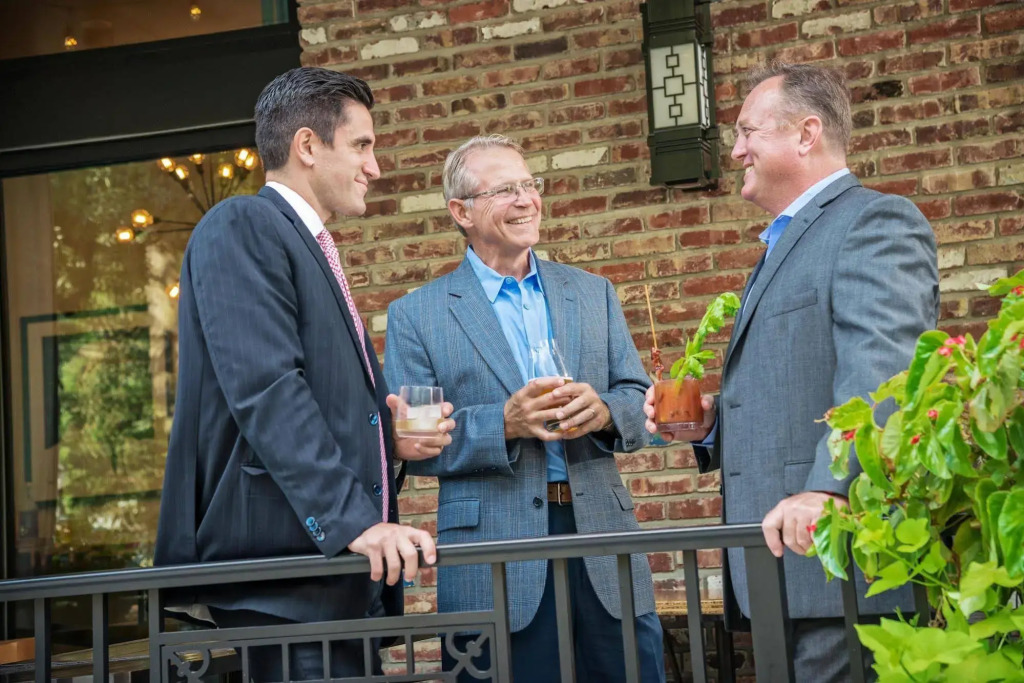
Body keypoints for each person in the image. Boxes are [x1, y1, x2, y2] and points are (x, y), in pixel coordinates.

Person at [154, 66, 453, 680]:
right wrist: (357, 524)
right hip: (285, 582)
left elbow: (309, 397)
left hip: (330, 581)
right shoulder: (241, 224)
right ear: (308, 146)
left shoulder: (306, 243)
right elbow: (267, 390)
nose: (375, 167)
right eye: (362, 145)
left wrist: (386, 439)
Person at [644, 61, 939, 681]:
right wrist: (711, 425)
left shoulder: (874, 222)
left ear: (806, 134)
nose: (736, 150)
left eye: (748, 131)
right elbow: (794, 387)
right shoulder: (787, 240)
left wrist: (830, 488)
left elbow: (884, 371)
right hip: (782, 576)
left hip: (841, 570)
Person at [384, 134, 666, 683]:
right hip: (493, 554)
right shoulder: (416, 315)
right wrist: (504, 424)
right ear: (461, 212)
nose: (526, 200)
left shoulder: (593, 293)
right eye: (504, 190)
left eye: (529, 185)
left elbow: (639, 397)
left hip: (603, 537)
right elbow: (416, 444)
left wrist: (605, 412)